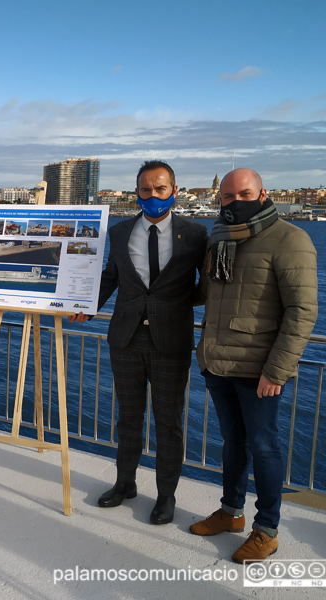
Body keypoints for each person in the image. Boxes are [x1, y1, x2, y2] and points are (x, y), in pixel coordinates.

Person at [190, 168, 317, 562]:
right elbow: (205, 293)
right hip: (218, 362)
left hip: (259, 370)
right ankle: (231, 512)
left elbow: (302, 311)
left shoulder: (290, 239)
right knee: (233, 442)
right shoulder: (220, 239)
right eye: (227, 196)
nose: (234, 202)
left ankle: (267, 529)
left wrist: (276, 372)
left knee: (264, 447)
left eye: (243, 193)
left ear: (263, 194)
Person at [70, 160, 208, 524]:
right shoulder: (118, 233)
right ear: (136, 194)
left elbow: (207, 286)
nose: (152, 196)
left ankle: (166, 496)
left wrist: (174, 303)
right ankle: (125, 483)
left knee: (168, 422)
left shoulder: (195, 234)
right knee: (128, 418)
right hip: (126, 339)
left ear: (173, 192)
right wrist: (86, 306)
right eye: (145, 190)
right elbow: (111, 276)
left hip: (171, 341)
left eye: (160, 189)